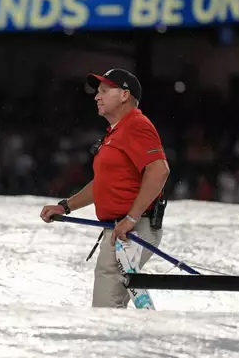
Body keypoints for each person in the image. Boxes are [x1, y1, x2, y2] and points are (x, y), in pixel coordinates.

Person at [40, 68, 170, 309]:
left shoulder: (136, 125)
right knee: (109, 307)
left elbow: (159, 170)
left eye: (104, 91)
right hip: (122, 229)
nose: (96, 97)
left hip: (131, 230)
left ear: (124, 95)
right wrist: (66, 205)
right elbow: (103, 184)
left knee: (106, 311)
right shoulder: (116, 131)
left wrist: (131, 218)